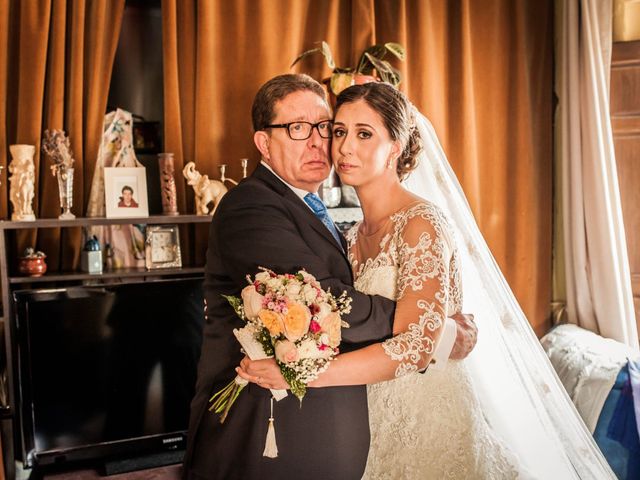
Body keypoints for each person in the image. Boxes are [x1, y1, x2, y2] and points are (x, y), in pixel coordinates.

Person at [240, 83, 618, 479]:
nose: (345, 147)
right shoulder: (350, 236)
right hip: (370, 418)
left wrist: (300, 375)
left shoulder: (421, 224)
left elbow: (417, 347)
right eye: (340, 132)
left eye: (364, 134)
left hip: (427, 416)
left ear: (396, 145)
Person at [182, 74, 477, 480]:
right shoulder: (249, 206)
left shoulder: (356, 225)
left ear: (396, 146)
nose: (323, 142)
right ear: (264, 143)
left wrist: (426, 329)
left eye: (325, 127)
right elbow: (322, 300)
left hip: (384, 415)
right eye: (298, 129)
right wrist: (432, 328)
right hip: (258, 437)